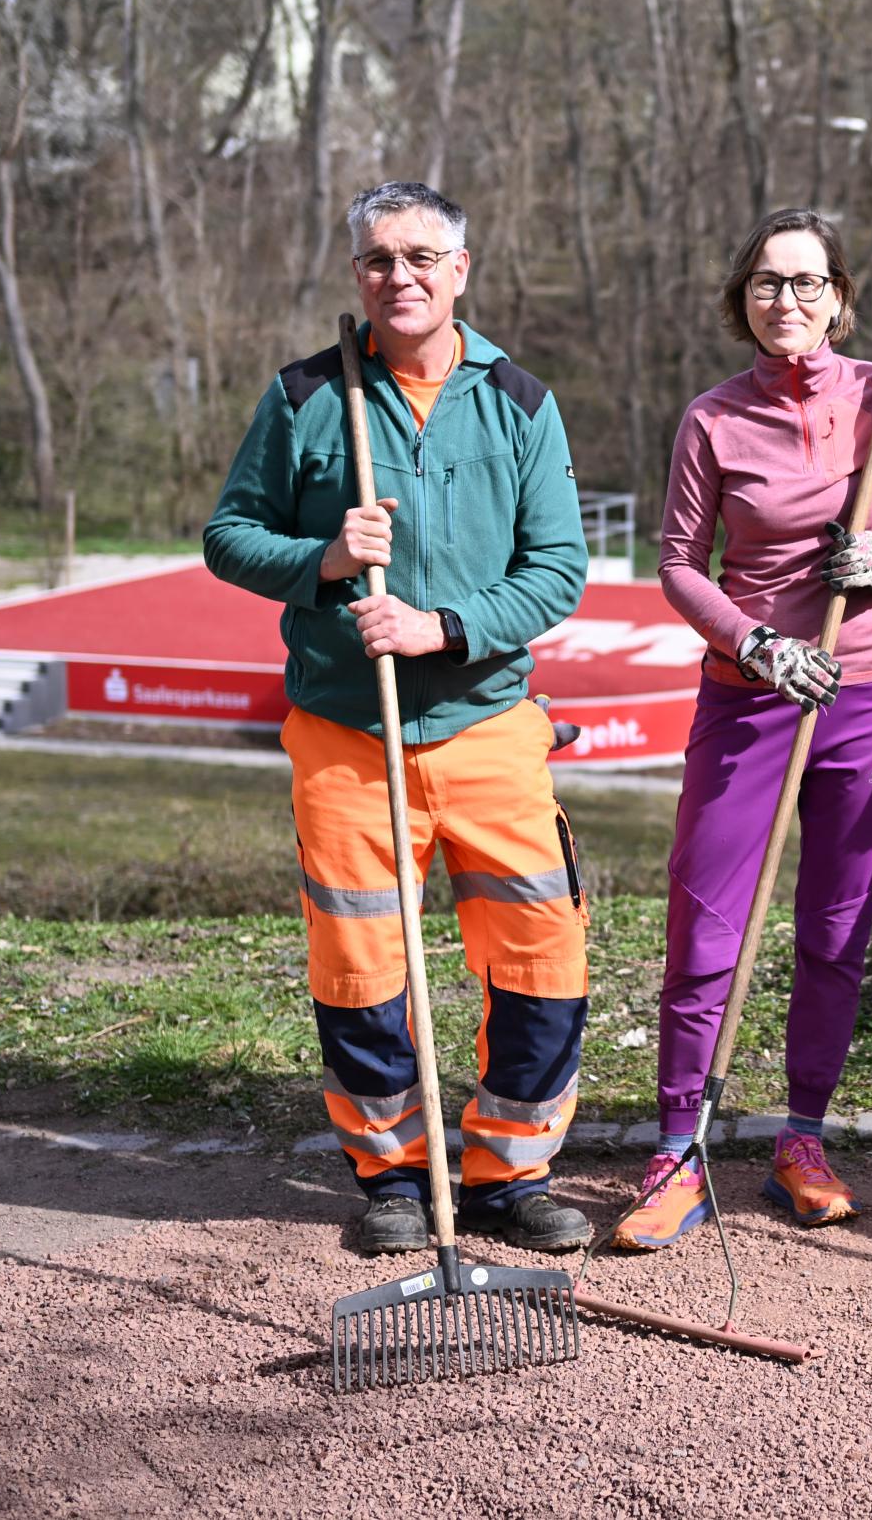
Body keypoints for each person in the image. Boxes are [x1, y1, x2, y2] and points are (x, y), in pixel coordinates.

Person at [203, 181, 596, 1256]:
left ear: (461, 269)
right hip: (347, 732)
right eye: (379, 259)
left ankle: (511, 1173)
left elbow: (558, 568)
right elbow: (229, 536)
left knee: (540, 954)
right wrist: (326, 559)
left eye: (422, 256)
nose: (400, 276)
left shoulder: (518, 400)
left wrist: (443, 628)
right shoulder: (305, 396)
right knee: (362, 965)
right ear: (357, 274)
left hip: (487, 724)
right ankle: (392, 1174)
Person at [616, 208, 872, 1249]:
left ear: (838, 297)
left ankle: (802, 1139)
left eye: (808, 282)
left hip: (868, 688)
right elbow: (678, 563)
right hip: (752, 691)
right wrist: (755, 641)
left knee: (835, 929)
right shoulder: (713, 418)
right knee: (706, 926)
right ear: (744, 298)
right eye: (768, 281)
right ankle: (677, 1151)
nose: (787, 300)